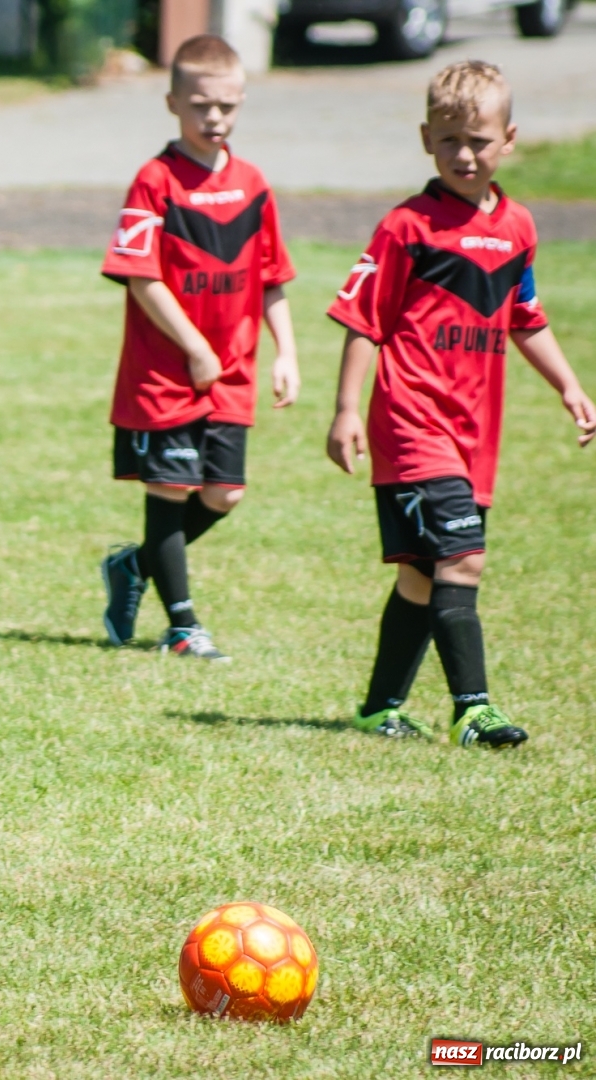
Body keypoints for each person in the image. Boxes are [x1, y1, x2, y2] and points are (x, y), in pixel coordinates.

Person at [326, 60, 595, 746]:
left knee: (423, 572)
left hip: (474, 431)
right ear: (426, 139)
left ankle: (379, 706)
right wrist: (347, 410)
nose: (464, 154)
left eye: (478, 140)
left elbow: (525, 317)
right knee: (462, 559)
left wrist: (568, 386)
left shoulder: (518, 228)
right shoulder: (406, 227)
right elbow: (364, 320)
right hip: (412, 419)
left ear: (509, 139)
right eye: (449, 141)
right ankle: (472, 708)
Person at [98, 34, 299, 662]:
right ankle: (183, 626)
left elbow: (272, 277)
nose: (215, 118)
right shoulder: (155, 180)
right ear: (173, 103)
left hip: (233, 370)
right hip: (166, 373)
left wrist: (285, 351)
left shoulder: (252, 184)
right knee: (170, 490)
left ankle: (134, 565)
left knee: (223, 494)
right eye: (201, 106)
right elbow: (140, 274)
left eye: (228, 107)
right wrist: (192, 346)